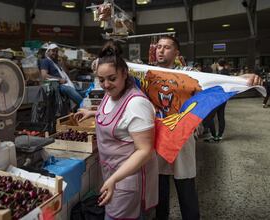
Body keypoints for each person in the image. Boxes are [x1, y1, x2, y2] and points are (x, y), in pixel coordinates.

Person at [153, 35, 262, 220]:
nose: (161, 50)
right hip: (158, 136)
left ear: (177, 52)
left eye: (167, 47)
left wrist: (242, 78)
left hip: (182, 136)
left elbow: (214, 80)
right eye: (159, 47)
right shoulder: (148, 73)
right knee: (159, 186)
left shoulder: (187, 73)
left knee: (185, 182)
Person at [74, 41, 158, 220]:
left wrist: (113, 180)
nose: (106, 85)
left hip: (128, 180)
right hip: (113, 175)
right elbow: (116, 115)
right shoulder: (111, 93)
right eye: (101, 80)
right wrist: (92, 112)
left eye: (112, 79)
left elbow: (145, 151)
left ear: (124, 73)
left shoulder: (137, 104)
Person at [39, 43, 86, 109]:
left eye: (56, 51)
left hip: (66, 82)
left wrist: (63, 61)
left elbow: (67, 73)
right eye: (53, 51)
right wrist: (59, 80)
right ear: (48, 51)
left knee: (81, 91)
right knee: (70, 90)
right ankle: (85, 106)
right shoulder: (45, 61)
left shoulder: (56, 62)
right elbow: (44, 75)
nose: (55, 53)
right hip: (57, 85)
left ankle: (87, 103)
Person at [204, 58, 230, 142]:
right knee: (221, 116)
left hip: (217, 97)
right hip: (224, 97)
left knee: (210, 116)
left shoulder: (219, 74)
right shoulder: (226, 72)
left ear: (218, 64)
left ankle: (214, 135)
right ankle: (219, 135)